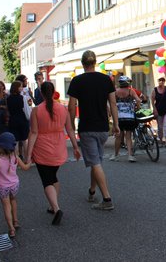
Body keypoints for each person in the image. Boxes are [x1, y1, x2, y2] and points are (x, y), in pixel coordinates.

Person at [67, 50, 120, 211]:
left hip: (87, 128)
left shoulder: (77, 81)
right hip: (103, 128)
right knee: (96, 161)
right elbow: (113, 103)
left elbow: (71, 106)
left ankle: (107, 199)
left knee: (95, 162)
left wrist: (71, 125)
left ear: (83, 64)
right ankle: (92, 191)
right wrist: (116, 124)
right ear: (95, 63)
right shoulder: (106, 79)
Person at [25, 81, 80, 226]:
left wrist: (28, 154)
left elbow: (34, 133)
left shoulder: (36, 110)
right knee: (53, 177)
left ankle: (56, 208)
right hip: (58, 148)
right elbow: (70, 130)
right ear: (53, 91)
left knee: (47, 180)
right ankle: (52, 205)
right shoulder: (63, 109)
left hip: (42, 149)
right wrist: (75, 147)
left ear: (42, 93)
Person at [0, 132, 31, 239]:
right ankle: (16, 221)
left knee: (6, 206)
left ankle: (11, 229)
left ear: (0, 147)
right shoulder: (15, 157)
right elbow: (25, 168)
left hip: (3, 187)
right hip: (14, 185)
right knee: (13, 200)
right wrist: (29, 161)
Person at [110, 76, 144, 162]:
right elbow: (138, 100)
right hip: (129, 117)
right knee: (128, 136)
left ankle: (115, 155)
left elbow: (112, 104)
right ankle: (130, 155)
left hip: (119, 118)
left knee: (118, 137)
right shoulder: (130, 91)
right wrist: (138, 107)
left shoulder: (115, 92)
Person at [7, 81, 30, 159]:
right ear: (17, 88)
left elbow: (8, 110)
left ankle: (16, 160)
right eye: (20, 86)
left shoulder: (8, 98)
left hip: (12, 120)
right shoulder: (22, 98)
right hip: (22, 120)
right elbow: (26, 110)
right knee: (24, 140)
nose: (21, 88)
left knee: (15, 141)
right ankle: (27, 158)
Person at [151, 76, 166, 147]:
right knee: (160, 127)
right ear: (158, 81)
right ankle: (161, 140)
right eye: (160, 80)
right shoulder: (155, 90)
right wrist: (154, 109)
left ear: (164, 82)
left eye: (163, 80)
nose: (161, 82)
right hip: (158, 110)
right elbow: (152, 100)